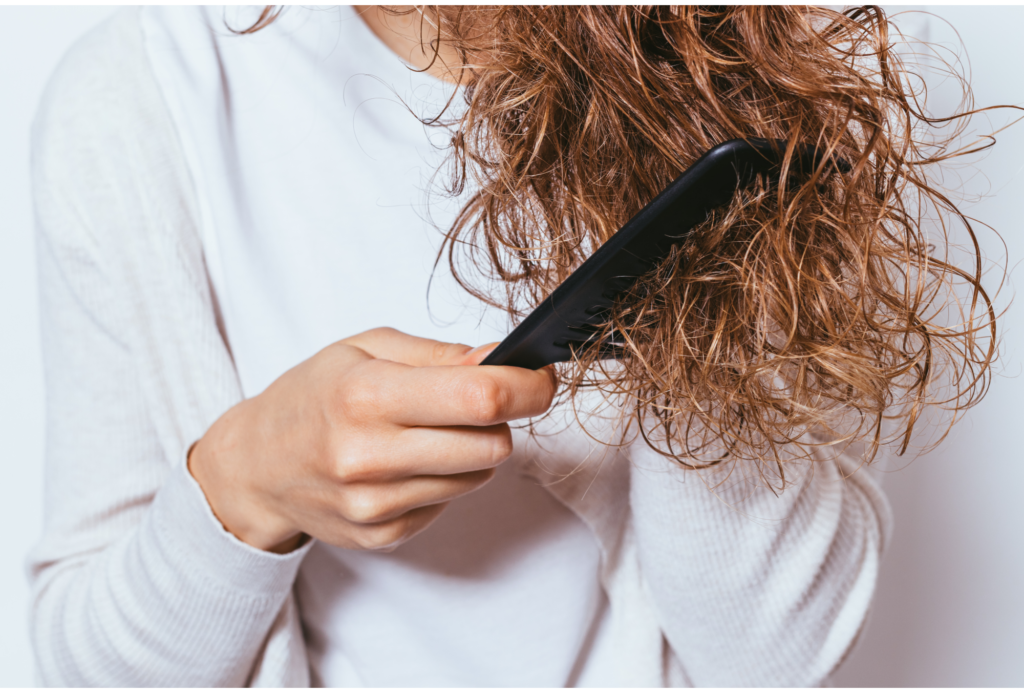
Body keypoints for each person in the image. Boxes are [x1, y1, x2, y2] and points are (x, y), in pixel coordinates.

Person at [27, 5, 993, 687]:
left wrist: (672, 234)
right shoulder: (137, 103)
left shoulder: (746, 64)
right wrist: (248, 482)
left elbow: (777, 659)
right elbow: (88, 665)